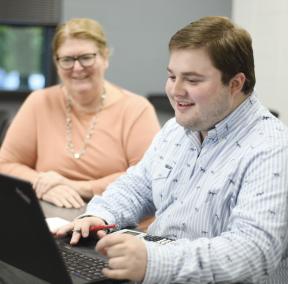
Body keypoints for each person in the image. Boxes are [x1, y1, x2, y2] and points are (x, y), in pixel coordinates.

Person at [55, 16, 287, 283]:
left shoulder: (272, 149)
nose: (175, 91)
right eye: (171, 76)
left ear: (235, 83)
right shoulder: (178, 129)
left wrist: (154, 261)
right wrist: (99, 215)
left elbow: (254, 253)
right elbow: (136, 186)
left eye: (192, 80)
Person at [0, 18, 160, 210]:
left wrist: (78, 187)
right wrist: (42, 185)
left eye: (86, 57)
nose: (77, 68)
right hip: (50, 218)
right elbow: (5, 164)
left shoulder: (136, 109)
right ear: (57, 63)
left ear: (105, 57)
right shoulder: (39, 102)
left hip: (116, 220)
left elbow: (147, 179)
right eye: (67, 59)